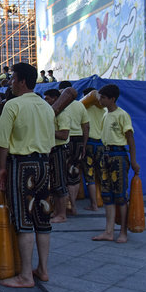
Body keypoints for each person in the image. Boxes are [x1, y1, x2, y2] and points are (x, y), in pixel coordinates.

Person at [0, 63, 55, 287]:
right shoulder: (47, 107)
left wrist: (2, 169)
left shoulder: (13, 106)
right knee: (43, 219)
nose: (10, 82)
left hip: (22, 166)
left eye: (12, 78)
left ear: (21, 82)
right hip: (43, 165)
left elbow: (2, 143)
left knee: (23, 220)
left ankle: (25, 276)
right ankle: (43, 270)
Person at [92, 84, 139, 243]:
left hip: (118, 155)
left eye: (103, 97)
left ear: (112, 99)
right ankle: (109, 231)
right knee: (107, 195)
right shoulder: (105, 114)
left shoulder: (122, 115)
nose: (100, 100)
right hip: (105, 155)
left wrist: (133, 160)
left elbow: (130, 138)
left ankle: (123, 231)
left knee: (120, 196)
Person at [59, 81, 89, 216]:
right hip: (78, 141)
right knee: (74, 174)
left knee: (62, 174)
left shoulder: (59, 106)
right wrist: (84, 143)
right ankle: (73, 205)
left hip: (63, 141)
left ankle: (66, 207)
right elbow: (86, 126)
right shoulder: (80, 105)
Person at [43, 89, 71, 223]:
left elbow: (64, 134)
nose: (46, 101)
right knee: (54, 183)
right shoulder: (52, 114)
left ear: (55, 99)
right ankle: (56, 211)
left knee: (60, 183)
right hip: (53, 150)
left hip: (60, 150)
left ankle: (62, 214)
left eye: (48, 99)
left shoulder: (63, 115)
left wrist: (48, 130)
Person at [82, 87, 106, 211]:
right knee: (102, 173)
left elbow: (85, 127)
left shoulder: (84, 108)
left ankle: (94, 205)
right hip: (102, 144)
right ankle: (107, 201)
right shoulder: (105, 109)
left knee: (89, 175)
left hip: (90, 142)